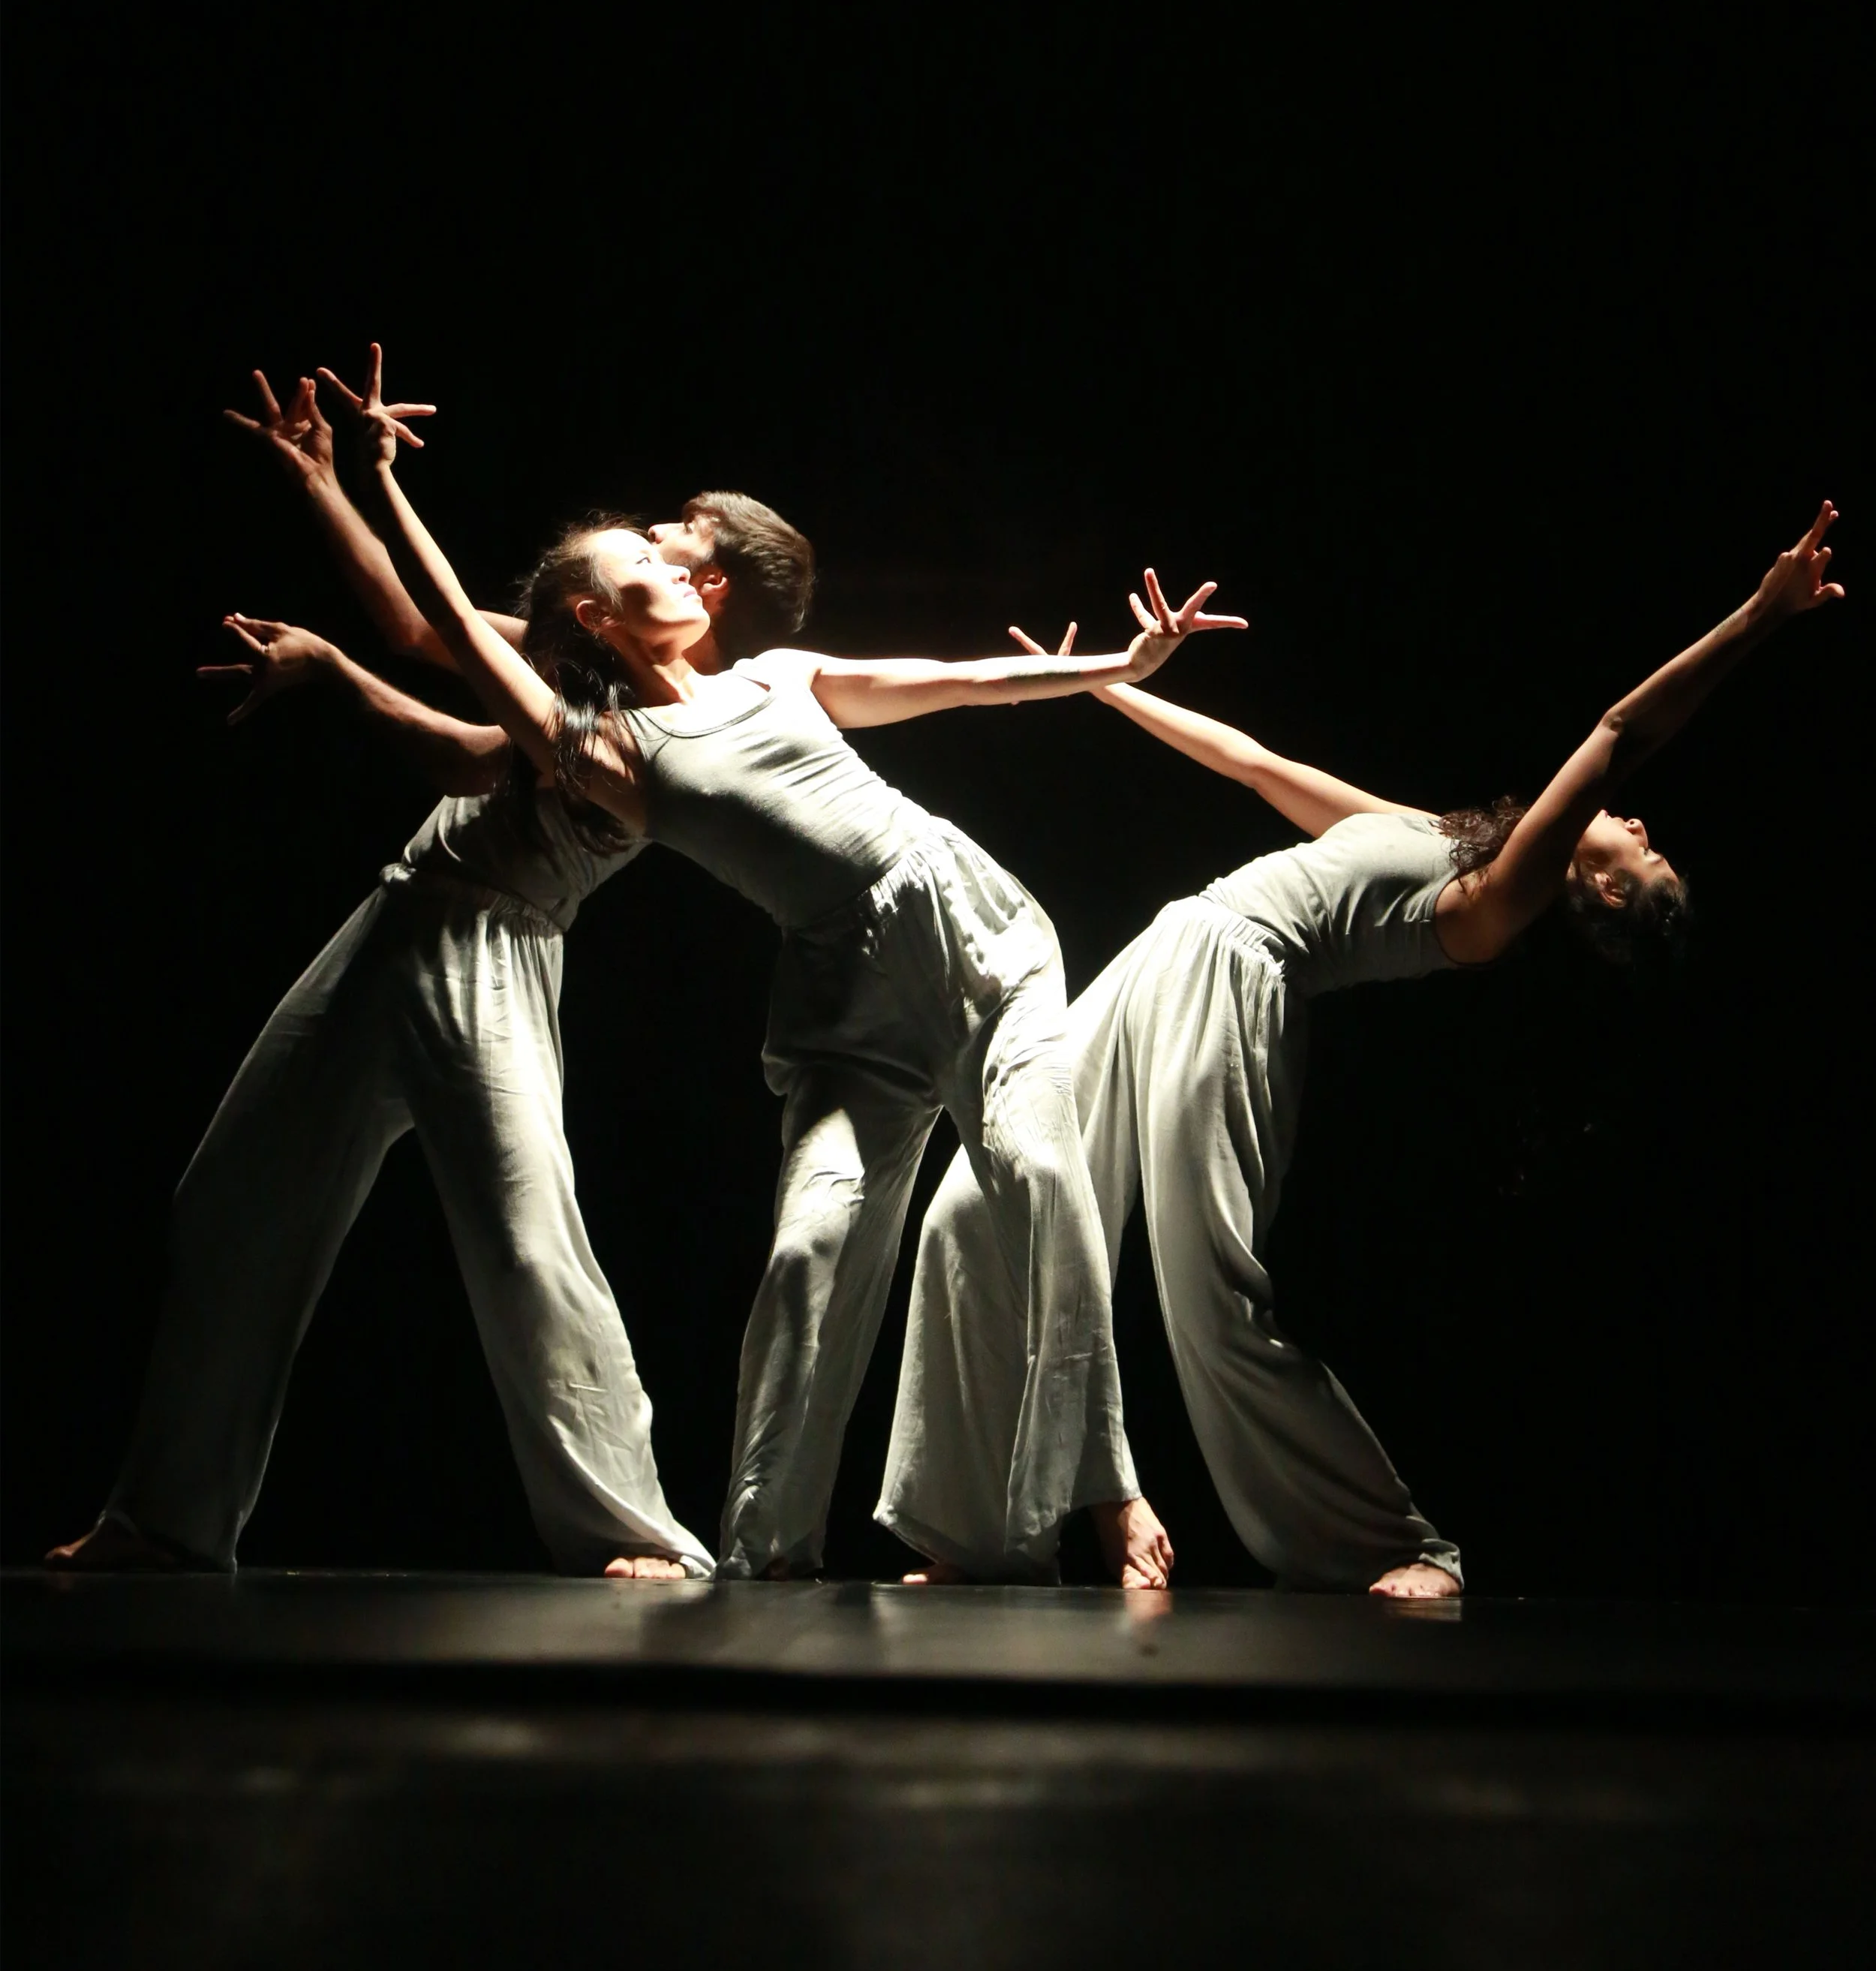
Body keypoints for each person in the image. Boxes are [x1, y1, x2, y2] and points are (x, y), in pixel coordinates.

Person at [322, 345, 1246, 1586]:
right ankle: (766, 1551)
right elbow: (442, 629)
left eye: (679, 552)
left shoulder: (776, 673)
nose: (667, 560)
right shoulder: (610, 749)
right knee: (810, 1248)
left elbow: (959, 682)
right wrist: (378, 480)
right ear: (600, 617)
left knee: (1037, 1170)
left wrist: (1113, 669)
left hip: (979, 942)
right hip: (848, 1005)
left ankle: (1108, 1490)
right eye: (647, 560)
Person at [893, 506, 1845, 1599]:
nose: (1638, 825)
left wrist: (1760, 615)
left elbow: (1624, 731)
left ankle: (1401, 1542)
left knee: (1210, 1300)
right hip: (1172, 945)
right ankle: (983, 1537)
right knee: (974, 1204)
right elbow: (1259, 765)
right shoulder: (1439, 838)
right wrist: (1099, 683)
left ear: (1609, 894)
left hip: (1234, 982)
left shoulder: (1492, 905)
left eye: (1649, 851)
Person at [45, 384, 816, 1580]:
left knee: (526, 1241)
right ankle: (166, 1520)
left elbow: (462, 750)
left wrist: (334, 667)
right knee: (233, 1198)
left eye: (679, 539)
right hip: (400, 915)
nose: (657, 537)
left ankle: (633, 1528)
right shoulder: (594, 642)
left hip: (492, 954)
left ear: (710, 589)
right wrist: (322, 481)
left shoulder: (681, 722)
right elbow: (421, 627)